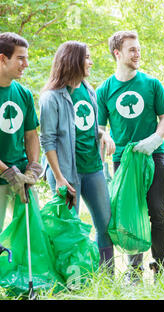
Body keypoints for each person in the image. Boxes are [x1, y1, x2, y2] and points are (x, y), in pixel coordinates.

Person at [96, 31, 164, 283]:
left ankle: (161, 269)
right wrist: (104, 142)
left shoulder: (151, 84)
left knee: (158, 212)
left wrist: (154, 140)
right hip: (123, 161)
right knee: (130, 213)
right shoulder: (105, 89)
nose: (137, 53)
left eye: (138, 49)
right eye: (131, 49)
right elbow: (100, 128)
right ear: (117, 54)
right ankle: (133, 271)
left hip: (153, 157)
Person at [39, 41, 116, 274]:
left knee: (105, 224)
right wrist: (59, 177)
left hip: (93, 168)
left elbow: (85, 127)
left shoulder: (88, 89)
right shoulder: (51, 97)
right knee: (69, 229)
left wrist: (103, 134)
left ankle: (106, 274)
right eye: (87, 58)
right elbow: (47, 140)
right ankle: (72, 277)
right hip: (65, 173)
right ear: (73, 61)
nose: (91, 62)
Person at [0, 32, 41, 231]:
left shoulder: (23, 94)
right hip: (4, 176)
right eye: (20, 58)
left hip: (22, 178)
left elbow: (31, 135)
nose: (26, 64)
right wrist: (7, 172)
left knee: (33, 234)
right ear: (2, 58)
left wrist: (32, 167)